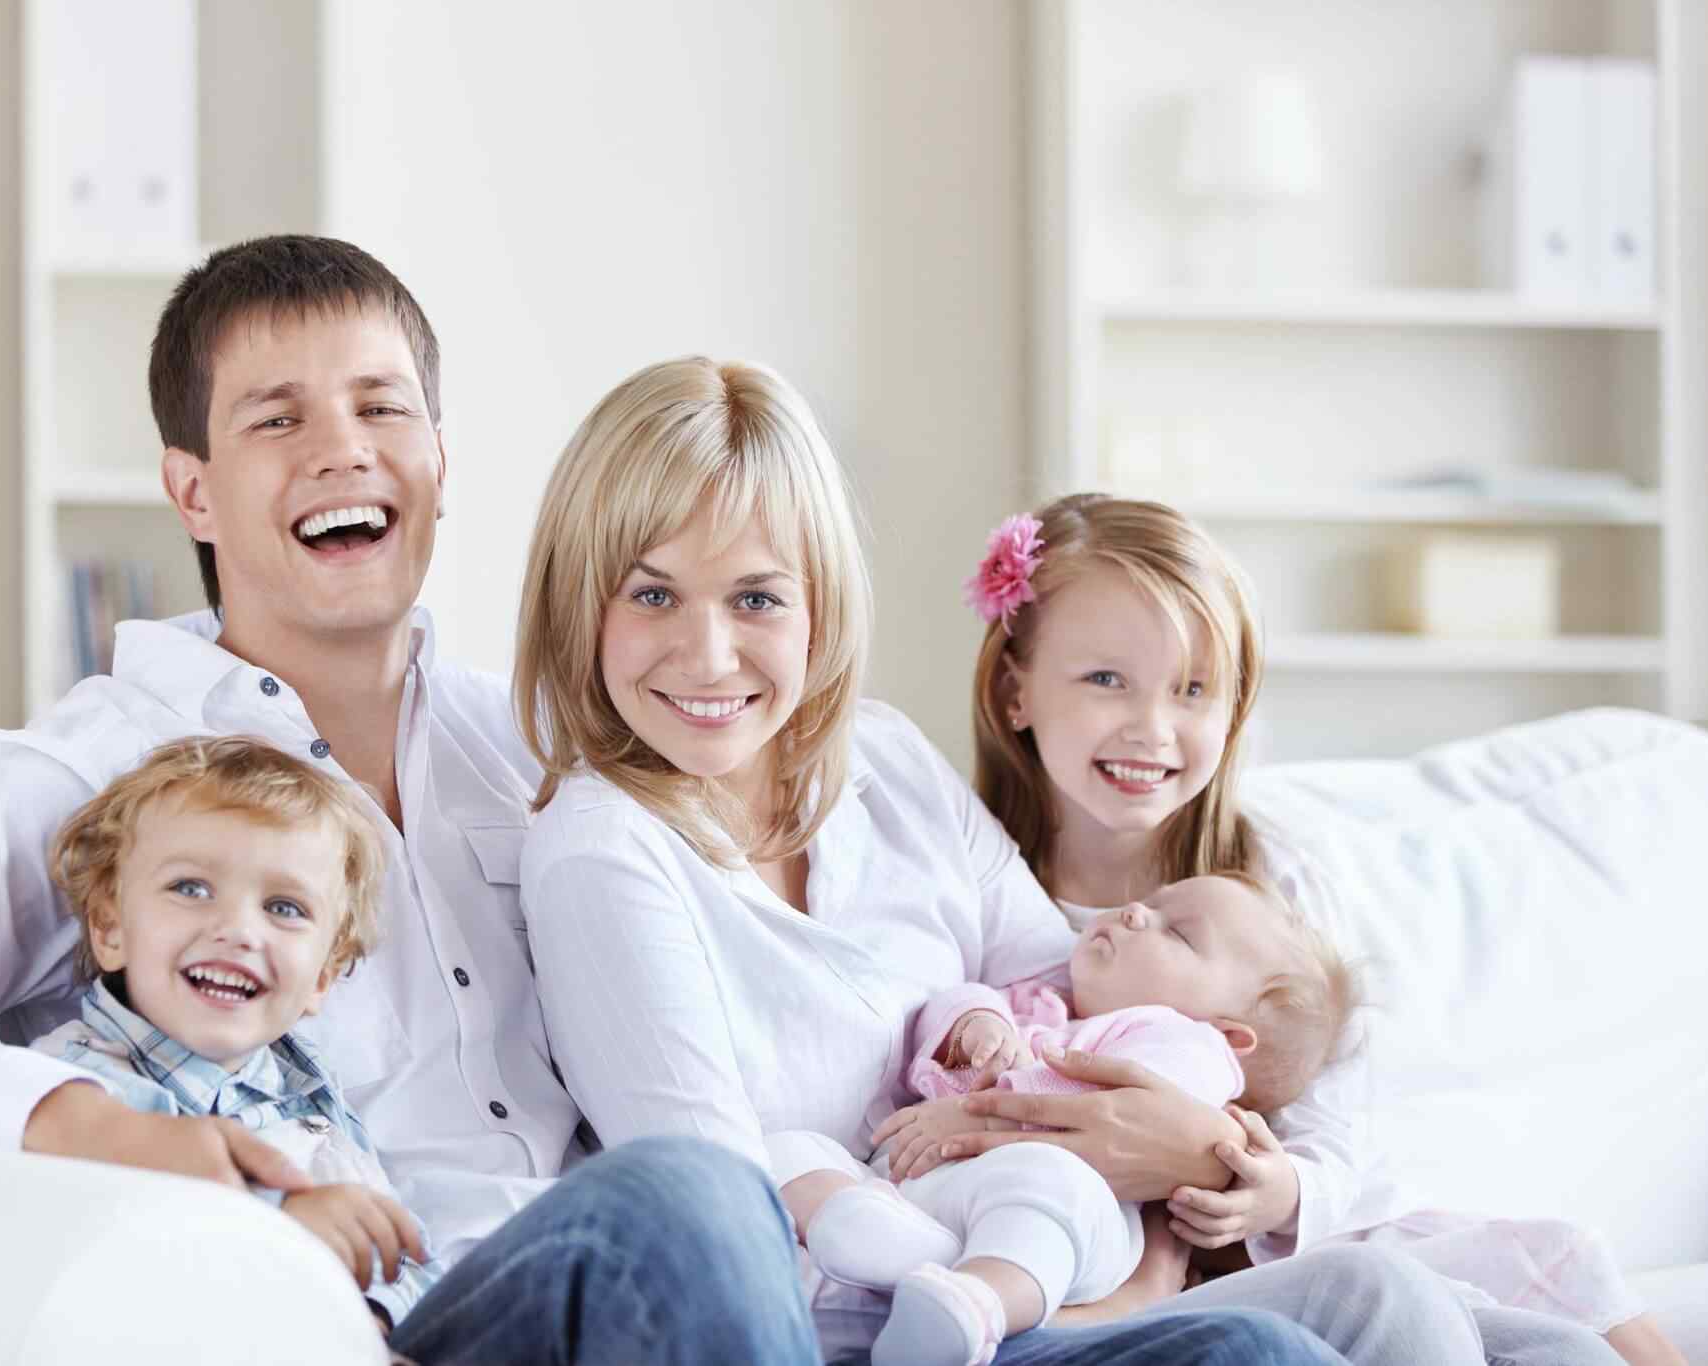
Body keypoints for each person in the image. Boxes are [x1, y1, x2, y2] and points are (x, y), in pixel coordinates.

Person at [0, 236, 816, 1366]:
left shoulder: (539, 749)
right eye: (277, 420)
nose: (342, 449)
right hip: (370, 1319)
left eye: (381, 408)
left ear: (438, 460)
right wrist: (98, 1128)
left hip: (622, 1301)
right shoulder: (96, 767)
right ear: (193, 492)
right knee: (696, 1198)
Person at [511, 354, 1490, 1365]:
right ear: (580, 604)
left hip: (1048, 1267)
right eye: (653, 594)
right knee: (1258, 1355)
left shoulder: (882, 757)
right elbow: (714, 1222)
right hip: (875, 1322)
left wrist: (1160, 1205)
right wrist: (1061, 1281)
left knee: (1393, 1300)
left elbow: (1062, 992)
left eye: (757, 599)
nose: (710, 655)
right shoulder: (603, 851)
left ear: (819, 606)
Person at [935, 491, 1686, 1366]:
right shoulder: (973, 883)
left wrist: (1262, 1180)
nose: (1152, 728)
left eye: (1192, 690)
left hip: (1302, 1231)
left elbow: (1335, 1129)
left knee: (1563, 1308)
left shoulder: (1269, 877)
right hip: (1123, 1264)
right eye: (1106, 680)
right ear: (1014, 689)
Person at [790, 872, 1357, 1366]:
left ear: (1229, 1034)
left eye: (1177, 933)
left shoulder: (1191, 1048)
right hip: (923, 1186)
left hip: (1054, 1207)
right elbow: (953, 1003)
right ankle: (862, 1236)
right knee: (795, 1148)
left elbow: (1105, 1107)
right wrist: (974, 1023)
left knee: (1049, 1188)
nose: (1135, 912)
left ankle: (979, 1303)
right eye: (1151, 902)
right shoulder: (1046, 1002)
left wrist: (981, 1109)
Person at [31, 735, 439, 1336]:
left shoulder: (307, 1087)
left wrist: (377, 1313)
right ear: (111, 929)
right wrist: (288, 1236)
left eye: (284, 908)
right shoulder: (74, 1086)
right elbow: (106, 1272)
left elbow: (401, 1256)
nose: (239, 930)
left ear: (321, 978)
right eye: (191, 889)